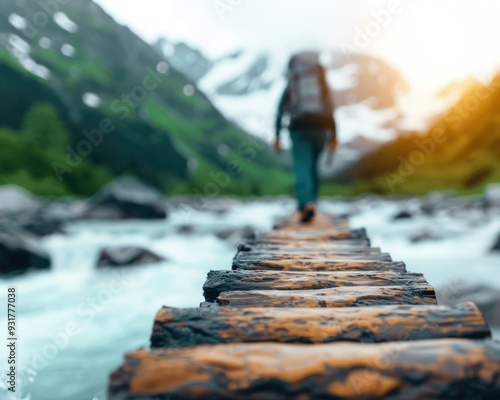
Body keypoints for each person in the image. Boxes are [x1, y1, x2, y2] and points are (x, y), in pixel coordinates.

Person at [274, 51, 337, 223]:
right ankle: (313, 203)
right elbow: (330, 108)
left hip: (298, 128)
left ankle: (305, 203)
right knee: (314, 166)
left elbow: (281, 108)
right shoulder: (320, 83)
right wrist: (333, 136)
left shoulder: (293, 82)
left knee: (303, 165)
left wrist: (277, 134)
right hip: (320, 129)